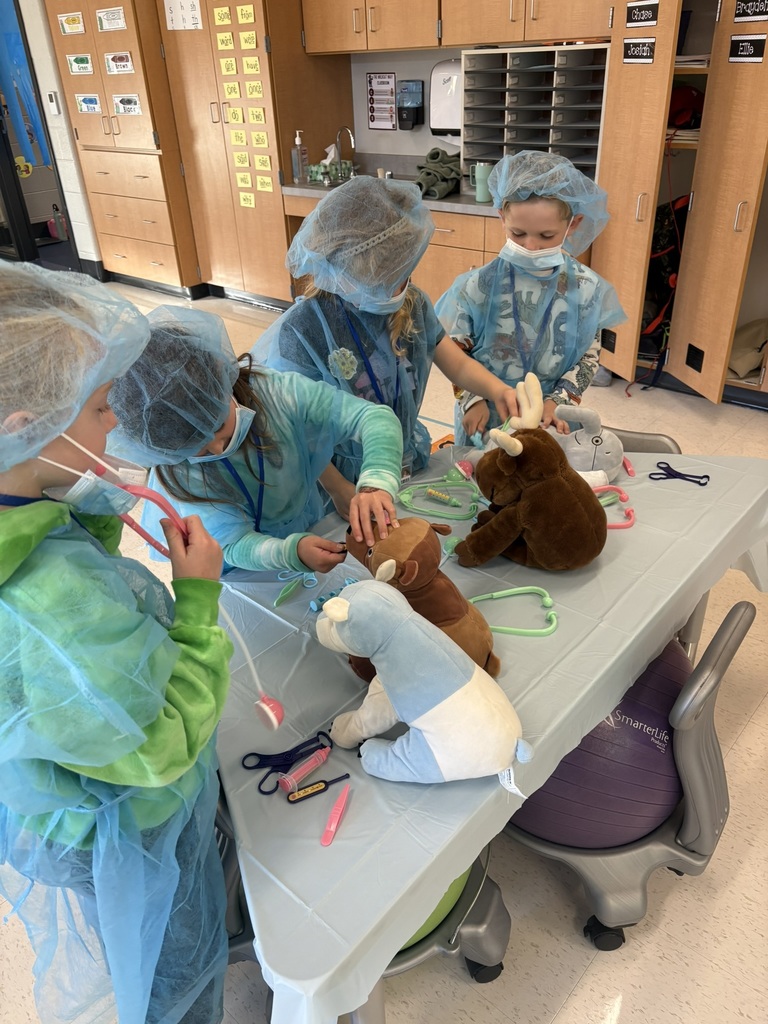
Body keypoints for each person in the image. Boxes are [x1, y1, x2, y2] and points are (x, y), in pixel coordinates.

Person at [0, 264, 232, 1024]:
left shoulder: (17, 510)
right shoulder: (53, 601)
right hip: (127, 819)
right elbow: (156, 749)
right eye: (101, 408)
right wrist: (198, 603)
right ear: (25, 426)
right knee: (173, 968)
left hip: (60, 794)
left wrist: (80, 508)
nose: (113, 426)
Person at [251, 176, 518, 505]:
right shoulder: (303, 331)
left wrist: (498, 391)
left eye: (402, 277)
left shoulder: (413, 304)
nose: (396, 290)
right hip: (340, 480)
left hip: (404, 462)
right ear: (337, 268)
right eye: (380, 282)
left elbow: (457, 363)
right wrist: (338, 489)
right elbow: (298, 428)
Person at [107, 305, 404, 573]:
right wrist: (289, 553)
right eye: (197, 450)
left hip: (302, 519)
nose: (218, 448)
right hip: (240, 566)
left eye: (219, 426)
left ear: (221, 377)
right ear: (161, 451)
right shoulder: (180, 472)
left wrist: (376, 482)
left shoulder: (278, 394)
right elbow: (233, 543)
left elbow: (372, 418)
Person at [435, 151, 627, 445]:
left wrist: (558, 401)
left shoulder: (586, 289)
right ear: (502, 218)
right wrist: (472, 400)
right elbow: (455, 352)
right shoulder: (478, 286)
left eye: (546, 236)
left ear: (573, 224)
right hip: (487, 414)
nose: (531, 245)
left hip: (551, 417)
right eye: (518, 233)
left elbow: (587, 356)